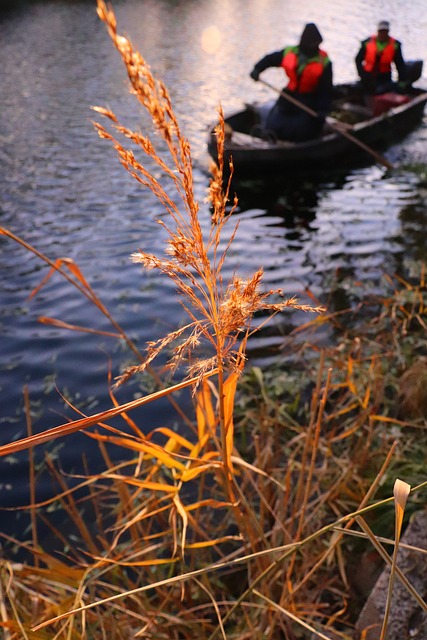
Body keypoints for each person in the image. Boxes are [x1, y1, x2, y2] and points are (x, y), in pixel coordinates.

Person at [249, 23, 333, 142]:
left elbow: (326, 90)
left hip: (309, 101)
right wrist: (257, 69)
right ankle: (269, 134)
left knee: (302, 128)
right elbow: (270, 59)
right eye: (313, 44)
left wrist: (322, 110)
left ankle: (291, 141)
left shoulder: (324, 63)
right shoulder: (290, 52)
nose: (315, 47)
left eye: (317, 44)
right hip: (289, 97)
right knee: (275, 122)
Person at [355, 20, 406, 95]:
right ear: (378, 31)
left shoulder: (395, 45)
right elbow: (358, 59)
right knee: (357, 89)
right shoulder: (367, 43)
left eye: (385, 31)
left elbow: (400, 64)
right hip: (367, 76)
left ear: (388, 32)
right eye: (381, 31)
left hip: (384, 78)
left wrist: (401, 81)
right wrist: (362, 74)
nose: (383, 33)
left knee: (381, 91)